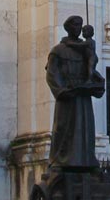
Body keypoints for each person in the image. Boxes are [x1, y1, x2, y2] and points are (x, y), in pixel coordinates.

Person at [45, 15, 105, 170]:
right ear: (68, 27)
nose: (78, 28)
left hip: (82, 95)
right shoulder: (58, 50)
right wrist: (62, 90)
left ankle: (85, 161)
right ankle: (61, 160)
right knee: (64, 128)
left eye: (80, 25)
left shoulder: (85, 49)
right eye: (75, 25)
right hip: (68, 96)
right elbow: (52, 73)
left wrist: (96, 82)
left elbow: (92, 68)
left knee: (85, 128)